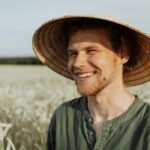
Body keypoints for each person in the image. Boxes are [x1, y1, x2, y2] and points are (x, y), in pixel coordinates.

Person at [32, 16, 150, 150]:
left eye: (91, 51)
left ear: (122, 54)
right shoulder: (63, 117)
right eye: (73, 53)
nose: (77, 63)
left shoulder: (145, 124)